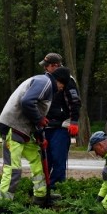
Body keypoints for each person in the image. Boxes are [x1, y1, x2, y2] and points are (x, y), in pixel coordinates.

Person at [0, 65, 72, 207]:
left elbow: (35, 111)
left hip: (24, 130)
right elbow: (27, 102)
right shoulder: (45, 82)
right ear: (59, 81)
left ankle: (41, 197)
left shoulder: (46, 86)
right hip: (14, 127)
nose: (62, 89)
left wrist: (39, 135)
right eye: (63, 85)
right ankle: (1, 207)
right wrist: (39, 120)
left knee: (38, 162)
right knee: (13, 170)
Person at [41, 53, 82, 188]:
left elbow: (75, 101)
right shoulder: (46, 79)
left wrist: (74, 122)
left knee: (58, 158)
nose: (45, 69)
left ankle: (57, 187)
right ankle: (44, 186)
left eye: (48, 66)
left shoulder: (67, 80)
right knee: (46, 159)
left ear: (55, 66)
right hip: (46, 125)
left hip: (61, 126)